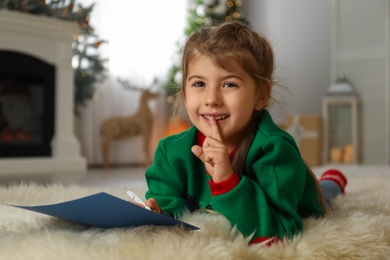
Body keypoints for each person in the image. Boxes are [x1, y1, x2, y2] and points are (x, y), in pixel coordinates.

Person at [143, 21, 347, 245]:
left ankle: (331, 181)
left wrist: (227, 180)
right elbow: (170, 206)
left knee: (325, 197)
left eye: (229, 84)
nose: (212, 99)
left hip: (295, 197)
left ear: (261, 95)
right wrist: (158, 211)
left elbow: (279, 231)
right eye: (199, 84)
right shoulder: (171, 152)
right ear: (184, 93)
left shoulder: (275, 150)